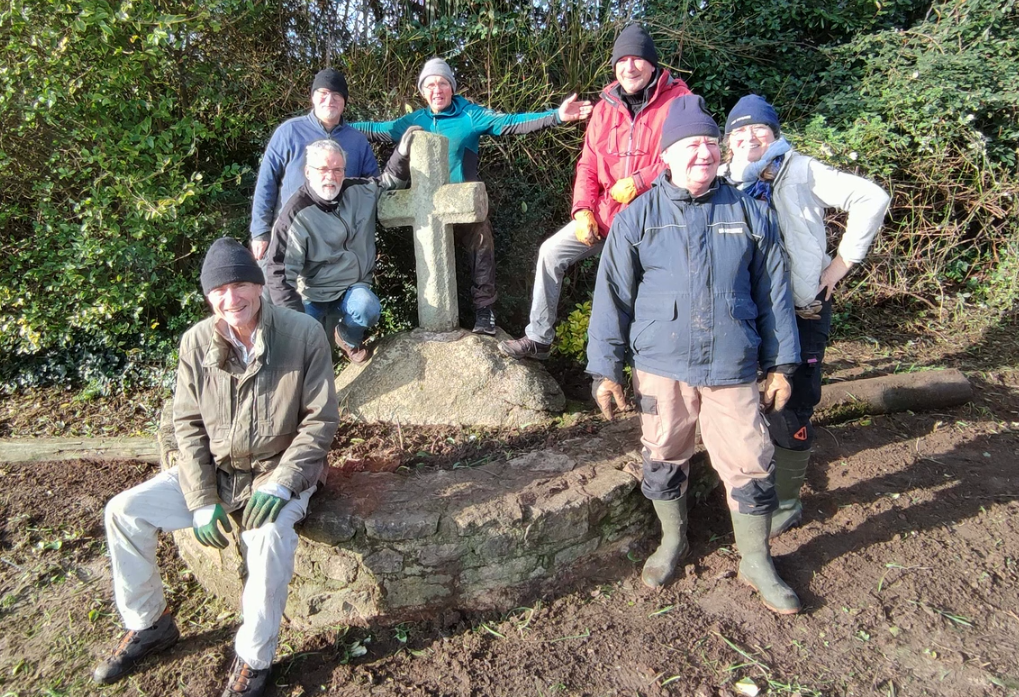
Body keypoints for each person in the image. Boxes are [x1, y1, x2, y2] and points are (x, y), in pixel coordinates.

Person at [92, 238, 339, 697]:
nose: (232, 299)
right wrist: (202, 499)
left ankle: (253, 659)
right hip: (218, 474)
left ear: (259, 285)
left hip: (277, 470)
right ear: (208, 296)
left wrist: (284, 483)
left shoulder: (303, 334)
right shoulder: (195, 342)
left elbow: (320, 422)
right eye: (220, 290)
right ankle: (149, 624)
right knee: (124, 511)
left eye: (241, 284)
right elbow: (186, 426)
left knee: (266, 538)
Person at [586, 95, 803, 614]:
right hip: (662, 367)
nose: (703, 153)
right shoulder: (637, 217)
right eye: (690, 144)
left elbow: (774, 294)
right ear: (666, 155)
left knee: (750, 460)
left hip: (733, 364)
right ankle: (671, 541)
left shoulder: (751, 212)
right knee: (662, 453)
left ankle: (755, 560)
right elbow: (611, 297)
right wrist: (604, 372)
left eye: (710, 142)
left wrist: (782, 364)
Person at [719, 94, 890, 537]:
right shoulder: (724, 181)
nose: (749, 137)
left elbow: (871, 197)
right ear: (728, 140)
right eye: (739, 130)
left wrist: (841, 264)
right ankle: (753, 484)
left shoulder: (801, 169)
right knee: (745, 399)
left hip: (800, 308)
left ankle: (789, 500)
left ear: (774, 133)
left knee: (793, 401)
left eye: (759, 128)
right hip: (745, 311)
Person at [348, 57, 592, 335]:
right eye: (429, 85)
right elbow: (376, 130)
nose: (436, 90)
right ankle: (429, 318)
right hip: (425, 208)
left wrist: (557, 115)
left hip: (460, 204)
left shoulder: (469, 115)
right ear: (422, 91)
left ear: (451, 87)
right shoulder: (414, 121)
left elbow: (510, 123)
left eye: (442, 83)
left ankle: (484, 312)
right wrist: (335, 124)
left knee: (481, 237)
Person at [499, 24, 691, 360]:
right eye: (622, 60)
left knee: (635, 287)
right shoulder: (605, 107)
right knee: (550, 253)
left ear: (652, 63)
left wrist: (642, 180)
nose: (629, 66)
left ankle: (648, 360)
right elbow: (588, 163)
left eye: (637, 59)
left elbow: (691, 152)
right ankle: (540, 338)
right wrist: (582, 209)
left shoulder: (680, 101)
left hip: (656, 217)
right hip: (606, 215)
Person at [265, 128, 420, 363]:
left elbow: (387, 182)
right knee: (303, 351)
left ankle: (347, 337)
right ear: (308, 172)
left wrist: (402, 153)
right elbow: (278, 274)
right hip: (313, 295)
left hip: (352, 287)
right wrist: (295, 323)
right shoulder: (295, 215)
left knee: (367, 308)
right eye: (323, 169)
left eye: (338, 169)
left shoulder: (357, 190)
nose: (331, 176)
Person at [250, 68, 380, 266]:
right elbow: (266, 182)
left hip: (337, 246)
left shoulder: (358, 141)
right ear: (313, 97)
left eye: (337, 95)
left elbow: (372, 188)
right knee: (276, 291)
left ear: (344, 101)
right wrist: (260, 231)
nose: (330, 100)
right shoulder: (288, 132)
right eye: (323, 93)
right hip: (288, 237)